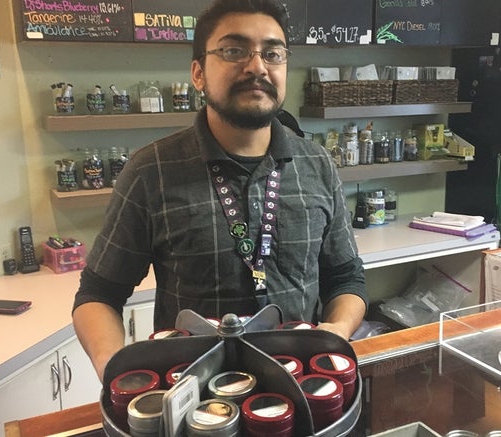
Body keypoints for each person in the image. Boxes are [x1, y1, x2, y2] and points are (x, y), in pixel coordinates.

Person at [72, 0, 367, 381]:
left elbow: (346, 278)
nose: (257, 66)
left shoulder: (317, 165)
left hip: (300, 388)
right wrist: (115, 369)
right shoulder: (151, 171)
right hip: (191, 394)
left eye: (273, 53)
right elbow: (98, 294)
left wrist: (338, 331)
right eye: (234, 50)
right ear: (198, 73)